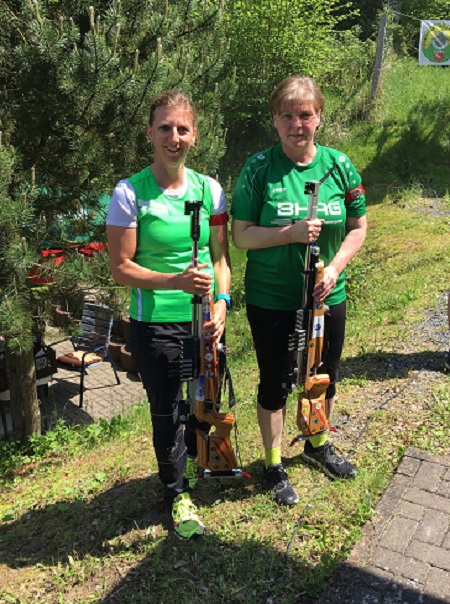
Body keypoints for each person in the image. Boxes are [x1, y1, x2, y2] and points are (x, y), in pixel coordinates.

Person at [231, 76, 367, 505]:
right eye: (287, 115)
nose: (296, 124)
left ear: (319, 117)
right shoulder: (259, 169)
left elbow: (358, 227)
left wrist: (336, 268)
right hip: (272, 297)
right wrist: (288, 233)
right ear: (274, 120)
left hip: (327, 297)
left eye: (305, 115)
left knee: (323, 377)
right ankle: (272, 465)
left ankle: (316, 444)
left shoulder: (339, 165)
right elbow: (241, 236)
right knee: (275, 382)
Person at [107, 89, 231, 539]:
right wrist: (174, 281)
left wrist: (222, 305)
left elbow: (221, 259)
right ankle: (176, 492)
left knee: (204, 400)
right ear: (150, 133)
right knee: (167, 410)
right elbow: (120, 268)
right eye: (164, 127)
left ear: (194, 135)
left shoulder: (210, 190)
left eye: (182, 128)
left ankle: (204, 467)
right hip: (155, 323)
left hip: (205, 321)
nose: (173, 137)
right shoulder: (129, 193)